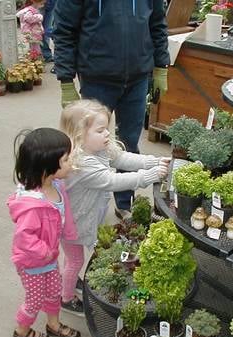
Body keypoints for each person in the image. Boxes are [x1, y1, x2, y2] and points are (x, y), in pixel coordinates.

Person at [52, 0, 170, 219]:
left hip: (137, 78)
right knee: (91, 145)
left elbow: (157, 24)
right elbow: (64, 30)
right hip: (96, 76)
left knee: (129, 142)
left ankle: (124, 204)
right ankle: (86, 207)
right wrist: (66, 80)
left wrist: (161, 66)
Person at [58, 99, 170, 314]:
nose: (107, 134)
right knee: (75, 260)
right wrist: (149, 176)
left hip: (88, 215)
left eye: (107, 128)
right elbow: (113, 181)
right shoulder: (82, 163)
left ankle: (70, 282)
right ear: (80, 135)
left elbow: (123, 158)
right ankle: (66, 297)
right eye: (100, 130)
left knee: (77, 257)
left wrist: (153, 162)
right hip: (74, 222)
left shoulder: (98, 148)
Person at [8, 127, 81, 337]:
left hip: (49, 259)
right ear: (48, 166)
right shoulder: (32, 205)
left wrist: (68, 235)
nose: (71, 163)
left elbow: (64, 211)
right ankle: (21, 331)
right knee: (34, 299)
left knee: (53, 292)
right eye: (67, 159)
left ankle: (53, 324)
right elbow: (23, 238)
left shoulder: (56, 184)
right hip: (32, 263)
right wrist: (46, 252)